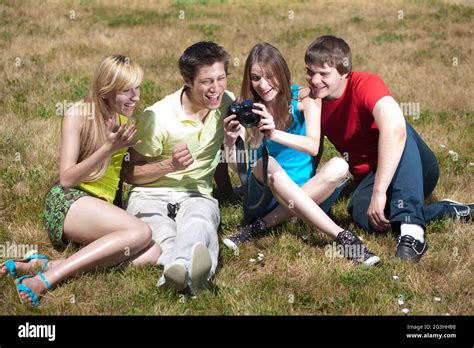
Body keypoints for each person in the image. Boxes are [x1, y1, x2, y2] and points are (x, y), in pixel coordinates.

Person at [0, 55, 162, 306]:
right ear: (107, 90)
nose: (136, 97)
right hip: (68, 201)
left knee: (152, 253)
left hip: (99, 210)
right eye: (127, 91)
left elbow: (130, 172)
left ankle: (44, 263)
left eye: (137, 88)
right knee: (141, 232)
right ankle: (46, 279)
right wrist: (107, 149)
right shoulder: (78, 113)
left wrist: (172, 164)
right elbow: (66, 178)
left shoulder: (125, 123)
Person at [304, 35, 473, 262]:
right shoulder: (314, 102)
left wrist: (379, 192)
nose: (315, 80)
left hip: (415, 167)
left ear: (344, 72)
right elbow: (313, 148)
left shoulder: (365, 84)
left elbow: (395, 130)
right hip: (370, 176)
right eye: (310, 72)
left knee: (397, 128)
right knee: (364, 216)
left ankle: (412, 232)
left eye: (324, 74)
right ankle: (446, 210)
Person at [222, 42, 380, 266]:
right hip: (264, 195)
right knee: (268, 163)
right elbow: (239, 168)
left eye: (270, 76)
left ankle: (260, 227)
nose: (263, 85)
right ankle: (343, 237)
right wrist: (229, 141)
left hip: (308, 193)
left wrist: (273, 133)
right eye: (256, 78)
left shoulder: (304, 98)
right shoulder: (248, 108)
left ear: (282, 73)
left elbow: (313, 146)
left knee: (339, 166)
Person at [123, 42, 235, 294]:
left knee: (200, 223)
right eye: (206, 82)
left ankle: (175, 272)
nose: (216, 89)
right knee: (162, 233)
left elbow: (223, 155)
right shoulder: (157, 117)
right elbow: (129, 173)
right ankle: (191, 275)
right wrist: (170, 165)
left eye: (221, 78)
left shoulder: (227, 103)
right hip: (150, 194)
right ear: (187, 79)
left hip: (196, 194)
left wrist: (227, 187)